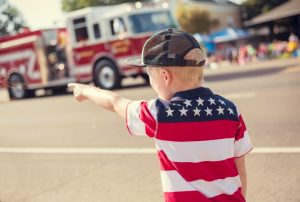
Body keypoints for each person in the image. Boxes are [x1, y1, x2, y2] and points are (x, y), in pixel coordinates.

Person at [68, 28, 253, 202]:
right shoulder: (230, 110)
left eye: (150, 75)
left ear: (165, 76)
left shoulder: (158, 113)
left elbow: (115, 103)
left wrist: (86, 91)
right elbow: (241, 171)